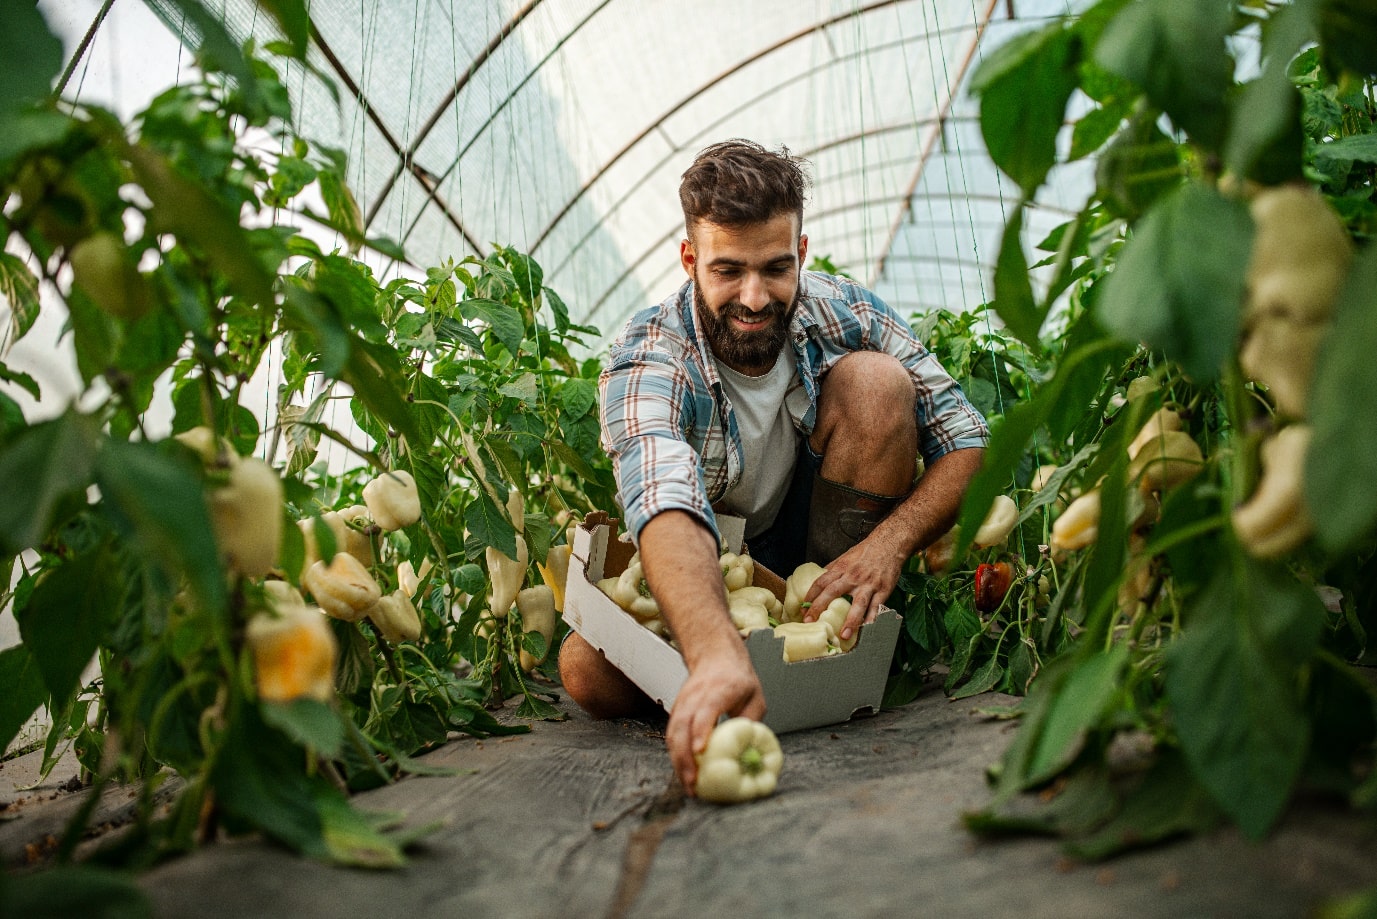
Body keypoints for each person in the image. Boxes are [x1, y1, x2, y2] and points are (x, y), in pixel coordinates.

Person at [559, 139, 988, 794]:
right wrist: (710, 648)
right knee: (585, 671)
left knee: (877, 384)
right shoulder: (648, 353)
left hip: (819, 551)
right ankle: (745, 677)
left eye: (775, 268)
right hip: (714, 567)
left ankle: (838, 630)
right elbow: (661, 494)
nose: (755, 297)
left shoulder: (843, 311)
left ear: (802, 255)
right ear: (689, 259)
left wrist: (888, 545)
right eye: (727, 270)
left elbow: (967, 439)